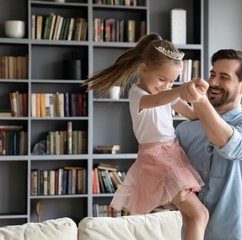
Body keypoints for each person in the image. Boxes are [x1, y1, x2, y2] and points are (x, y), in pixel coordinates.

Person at [82, 33, 209, 240]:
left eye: (172, 81)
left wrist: (200, 98)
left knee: (189, 217)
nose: (166, 85)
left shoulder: (167, 92)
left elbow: (193, 114)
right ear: (143, 69)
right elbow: (158, 99)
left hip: (173, 155)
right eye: (162, 79)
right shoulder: (138, 94)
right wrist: (180, 89)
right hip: (158, 160)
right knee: (200, 214)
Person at [176, 49, 242, 240]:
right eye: (212, 75)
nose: (213, 82)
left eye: (224, 77)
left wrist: (200, 101)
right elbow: (170, 188)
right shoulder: (185, 130)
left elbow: (231, 145)